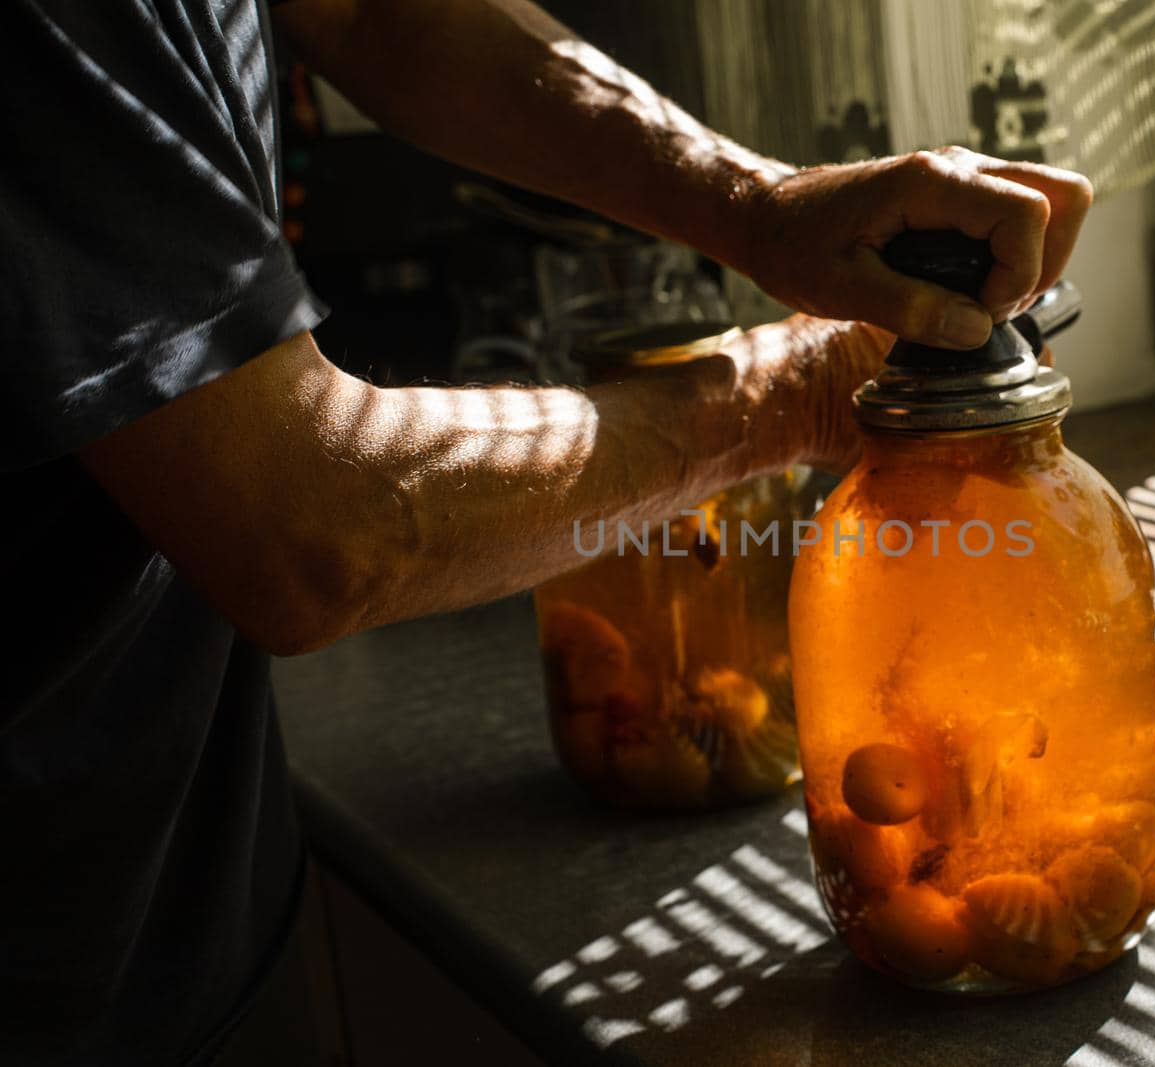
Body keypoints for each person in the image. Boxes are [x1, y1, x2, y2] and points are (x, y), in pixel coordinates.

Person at [0, 0, 1092, 1062]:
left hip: (196, 878)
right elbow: (310, 531)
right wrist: (786, 392)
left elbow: (381, 16)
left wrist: (764, 205)